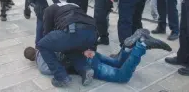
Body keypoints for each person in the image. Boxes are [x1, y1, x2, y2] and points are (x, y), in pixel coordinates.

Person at [25, 29, 172, 83]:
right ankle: (127, 48)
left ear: (32, 59)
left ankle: (141, 45)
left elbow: (52, 69)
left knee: (122, 76)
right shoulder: (48, 43)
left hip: (85, 65)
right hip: (89, 53)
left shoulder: (41, 61)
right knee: (117, 63)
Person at [36, 2, 98, 87]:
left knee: (42, 45)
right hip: (92, 34)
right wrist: (91, 48)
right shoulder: (74, 5)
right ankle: (85, 69)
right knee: (70, 45)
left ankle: (61, 77)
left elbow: (47, 33)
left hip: (73, 31)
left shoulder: (48, 10)